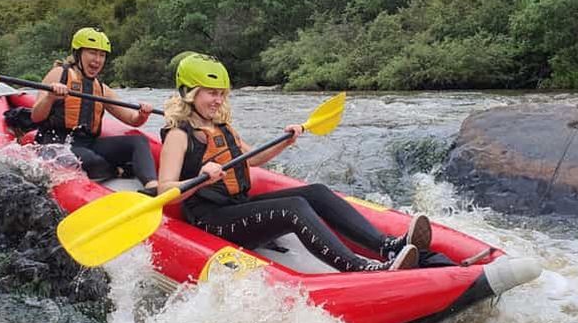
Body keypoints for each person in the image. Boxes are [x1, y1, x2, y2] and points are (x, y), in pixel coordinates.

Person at [157, 53, 431, 272]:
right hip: (211, 221)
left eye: (222, 94)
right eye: (210, 93)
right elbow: (165, 193)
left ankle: (387, 246)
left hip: (236, 207)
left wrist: (286, 140)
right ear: (189, 93)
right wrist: (200, 176)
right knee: (293, 207)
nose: (218, 100)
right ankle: (358, 267)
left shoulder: (221, 127)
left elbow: (255, 159)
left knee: (316, 192)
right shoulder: (179, 135)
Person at [31, 27, 158, 190]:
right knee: (89, 159)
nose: (97, 60)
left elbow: (132, 120)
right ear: (78, 54)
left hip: (87, 143)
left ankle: (153, 187)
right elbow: (36, 116)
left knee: (138, 142)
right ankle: (118, 170)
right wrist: (50, 97)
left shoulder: (100, 87)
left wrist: (143, 114)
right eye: (92, 53)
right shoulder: (58, 74)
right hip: (57, 143)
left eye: (102, 55)